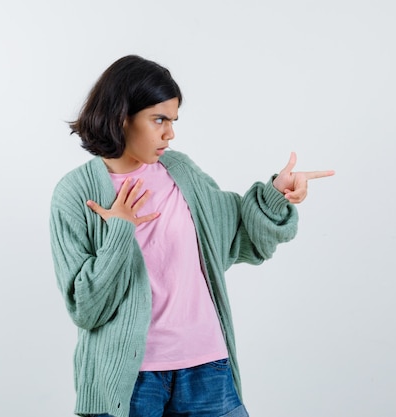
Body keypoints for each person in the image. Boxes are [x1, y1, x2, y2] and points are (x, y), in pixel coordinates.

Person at [49, 55, 334, 417]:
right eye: (159, 120)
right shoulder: (75, 193)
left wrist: (276, 193)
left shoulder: (179, 171)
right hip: (129, 380)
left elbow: (236, 233)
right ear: (122, 117)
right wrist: (120, 228)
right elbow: (85, 307)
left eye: (173, 120)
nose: (170, 133)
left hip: (207, 368)